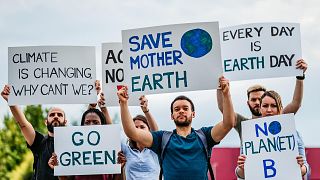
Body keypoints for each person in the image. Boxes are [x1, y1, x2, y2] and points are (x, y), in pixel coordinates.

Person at [117, 76, 235, 179]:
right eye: (177, 109)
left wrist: (226, 94)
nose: (181, 111)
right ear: (172, 116)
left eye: (185, 108)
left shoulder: (205, 136)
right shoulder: (162, 138)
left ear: (193, 114)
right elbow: (132, 132)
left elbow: (228, 123)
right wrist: (123, 103)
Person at [217, 59, 308, 140]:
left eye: (260, 100)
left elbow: (296, 104)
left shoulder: (279, 118)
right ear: (248, 103)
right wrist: (219, 83)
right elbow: (224, 108)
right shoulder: (243, 124)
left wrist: (300, 77)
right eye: (253, 100)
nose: (257, 102)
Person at [235, 90, 311, 179]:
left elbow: (306, 168)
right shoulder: (250, 134)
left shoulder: (293, 133)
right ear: (260, 108)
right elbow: (241, 174)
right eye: (265, 106)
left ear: (280, 108)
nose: (269, 110)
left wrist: (301, 167)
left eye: (274, 106)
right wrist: (242, 168)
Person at [1, 85, 67, 180]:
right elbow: (23, 124)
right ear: (46, 122)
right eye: (52, 115)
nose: (56, 116)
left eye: (59, 115)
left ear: (65, 121)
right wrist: (11, 101)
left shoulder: (73, 143)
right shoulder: (39, 141)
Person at [48, 107, 121, 180]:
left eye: (96, 122)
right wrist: (59, 170)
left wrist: (119, 168)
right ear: (82, 126)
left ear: (102, 125)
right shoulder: (73, 150)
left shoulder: (111, 149)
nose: (91, 125)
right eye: (87, 122)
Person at [121, 95, 160, 180]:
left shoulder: (155, 150)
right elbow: (111, 133)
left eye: (142, 127)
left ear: (149, 130)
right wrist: (103, 109)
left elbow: (155, 132)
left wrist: (146, 110)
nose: (138, 130)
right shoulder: (126, 149)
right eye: (135, 128)